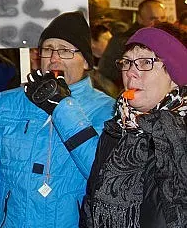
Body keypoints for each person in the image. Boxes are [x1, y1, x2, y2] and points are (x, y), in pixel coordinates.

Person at [0, 11, 114, 228]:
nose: (54, 58)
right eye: (48, 49)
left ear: (85, 61)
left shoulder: (107, 109)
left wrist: (63, 107)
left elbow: (102, 173)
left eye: (64, 50)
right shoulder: (8, 102)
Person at [80, 22, 187, 227]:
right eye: (127, 62)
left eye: (146, 62)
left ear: (175, 76)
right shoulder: (116, 130)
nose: (131, 72)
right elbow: (90, 208)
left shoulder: (181, 134)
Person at [98, 0, 166, 89]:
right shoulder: (122, 41)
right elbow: (106, 71)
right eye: (153, 19)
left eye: (162, 18)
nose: (159, 22)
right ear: (140, 19)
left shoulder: (170, 41)